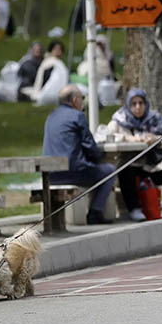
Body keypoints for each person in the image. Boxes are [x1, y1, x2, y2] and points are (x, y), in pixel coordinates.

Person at [43, 85, 116, 225]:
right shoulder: (77, 116)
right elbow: (91, 148)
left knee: (98, 170)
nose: (83, 101)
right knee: (110, 171)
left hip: (51, 175)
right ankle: (95, 212)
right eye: (82, 97)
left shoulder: (51, 117)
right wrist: (98, 156)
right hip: (73, 172)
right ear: (75, 100)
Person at [107, 89, 162, 221]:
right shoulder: (119, 120)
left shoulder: (155, 119)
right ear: (128, 105)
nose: (138, 107)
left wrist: (155, 140)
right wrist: (128, 138)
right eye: (134, 104)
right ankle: (134, 209)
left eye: (141, 103)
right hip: (132, 162)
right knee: (125, 170)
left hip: (153, 162)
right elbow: (107, 136)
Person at [21, 40, 69, 106]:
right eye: (55, 49)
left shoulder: (59, 63)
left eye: (60, 49)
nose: (58, 51)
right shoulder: (48, 62)